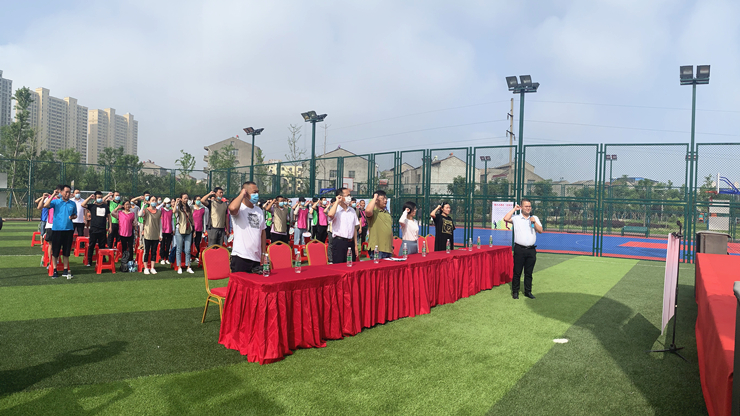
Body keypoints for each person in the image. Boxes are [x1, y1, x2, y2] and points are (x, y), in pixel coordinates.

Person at [503, 198, 543, 300]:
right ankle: (515, 292)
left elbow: (540, 230)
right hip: (519, 249)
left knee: (528, 273)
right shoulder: (516, 218)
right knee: (517, 272)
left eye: (529, 206)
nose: (528, 208)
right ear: (521, 207)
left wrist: (534, 222)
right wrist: (514, 209)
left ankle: (528, 291)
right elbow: (506, 218)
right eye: (526, 206)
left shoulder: (534, 218)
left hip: (531, 250)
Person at [228, 181, 266, 273]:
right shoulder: (240, 209)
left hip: (256, 257)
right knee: (239, 281)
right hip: (241, 256)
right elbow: (232, 208)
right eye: (254, 192)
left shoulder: (259, 210)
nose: (256, 195)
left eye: (257, 192)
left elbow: (262, 232)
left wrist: (263, 252)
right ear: (245, 193)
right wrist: (241, 195)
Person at [43, 185, 78, 279]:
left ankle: (65, 270)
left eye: (69, 192)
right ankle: (55, 270)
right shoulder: (56, 202)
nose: (68, 194)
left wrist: (72, 217)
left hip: (69, 230)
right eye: (66, 192)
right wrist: (53, 195)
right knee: (55, 251)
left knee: (66, 252)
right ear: (61, 192)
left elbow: (75, 215)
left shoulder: (72, 203)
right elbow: (46, 205)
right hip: (57, 230)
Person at [327, 187, 360, 263]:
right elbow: (330, 215)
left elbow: (354, 228)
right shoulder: (336, 210)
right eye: (347, 195)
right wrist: (337, 201)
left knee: (351, 265)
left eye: (350, 195)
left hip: (350, 242)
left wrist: (355, 245)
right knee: (339, 266)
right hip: (339, 242)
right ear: (340, 197)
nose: (349, 198)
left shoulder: (352, 210)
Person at [83, 191, 112, 267]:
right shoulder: (92, 206)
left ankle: (102, 260)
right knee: (91, 245)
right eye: (98, 197)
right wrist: (90, 198)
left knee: (102, 246)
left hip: (102, 229)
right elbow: (83, 204)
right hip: (93, 229)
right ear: (95, 198)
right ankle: (89, 261)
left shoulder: (105, 206)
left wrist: (110, 226)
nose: (100, 199)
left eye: (101, 197)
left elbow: (109, 216)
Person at [365, 190, 393, 259]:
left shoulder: (387, 213)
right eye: (383, 199)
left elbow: (390, 230)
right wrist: (375, 198)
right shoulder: (374, 212)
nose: (385, 200)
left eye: (386, 198)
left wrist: (391, 246)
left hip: (387, 249)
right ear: (376, 200)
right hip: (377, 249)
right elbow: (368, 211)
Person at [139, 194, 162, 274]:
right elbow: (140, 214)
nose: (154, 202)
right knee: (146, 251)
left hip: (155, 234)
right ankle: (145, 268)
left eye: (155, 200)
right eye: (152, 200)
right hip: (147, 234)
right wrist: (143, 206)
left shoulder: (159, 211)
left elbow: (160, 224)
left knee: (154, 251)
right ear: (149, 201)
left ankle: (152, 267)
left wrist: (160, 234)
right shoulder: (146, 210)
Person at [173, 193, 195, 274]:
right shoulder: (178, 207)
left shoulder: (189, 208)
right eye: (184, 198)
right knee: (179, 249)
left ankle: (188, 266)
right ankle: (179, 267)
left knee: (188, 250)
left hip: (188, 230)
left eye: (187, 198)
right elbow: (174, 211)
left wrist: (194, 230)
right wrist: (176, 202)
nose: (186, 200)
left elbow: (192, 219)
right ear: (181, 199)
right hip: (180, 229)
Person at [159, 197, 174, 265]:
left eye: (169, 203)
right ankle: (162, 258)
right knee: (162, 245)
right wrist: (162, 203)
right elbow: (157, 208)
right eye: (167, 203)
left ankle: (166, 258)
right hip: (163, 230)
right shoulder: (161, 209)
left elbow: (172, 220)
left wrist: (173, 229)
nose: (168, 204)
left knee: (168, 245)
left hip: (169, 230)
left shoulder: (171, 211)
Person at [192, 195, 206, 264]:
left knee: (197, 243)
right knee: (191, 243)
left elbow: (204, 220)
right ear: (194, 201)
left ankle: (196, 256)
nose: (199, 201)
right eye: (197, 199)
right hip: (192, 229)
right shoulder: (191, 208)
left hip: (199, 229)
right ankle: (191, 256)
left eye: (200, 199)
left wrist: (204, 229)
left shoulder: (202, 209)